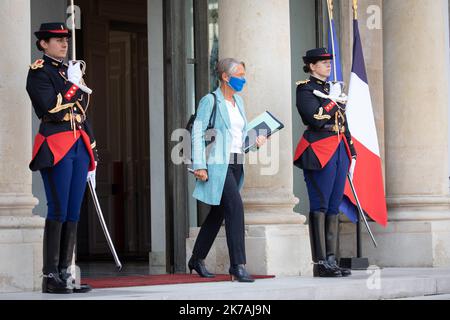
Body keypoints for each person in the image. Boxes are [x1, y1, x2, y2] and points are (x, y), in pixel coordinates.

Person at [27, 23, 98, 293]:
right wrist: (73, 84)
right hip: (55, 143)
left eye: (65, 39)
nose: (63, 43)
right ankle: (50, 276)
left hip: (78, 145)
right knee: (57, 208)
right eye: (57, 40)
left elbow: (81, 112)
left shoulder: (67, 70)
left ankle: (66, 274)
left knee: (73, 210)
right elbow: (50, 108)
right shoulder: (39, 72)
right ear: (43, 44)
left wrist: (92, 145)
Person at [189, 58, 266, 283]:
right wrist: (199, 165)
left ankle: (196, 258)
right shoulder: (210, 100)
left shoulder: (238, 102)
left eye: (243, 75)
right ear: (225, 76)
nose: (243, 79)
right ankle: (237, 265)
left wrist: (255, 140)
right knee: (235, 207)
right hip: (216, 164)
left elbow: (239, 136)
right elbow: (197, 132)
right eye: (239, 75)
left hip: (236, 163)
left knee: (219, 212)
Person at [293, 48, 356, 278]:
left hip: (338, 147)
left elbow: (342, 120)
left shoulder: (331, 89)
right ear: (311, 66)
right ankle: (320, 263)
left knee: (333, 204)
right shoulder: (305, 89)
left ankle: (332, 259)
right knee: (319, 203)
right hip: (319, 148)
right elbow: (315, 119)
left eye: (329, 62)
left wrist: (351, 147)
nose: (328, 66)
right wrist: (333, 101)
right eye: (323, 62)